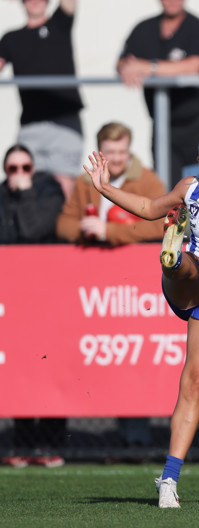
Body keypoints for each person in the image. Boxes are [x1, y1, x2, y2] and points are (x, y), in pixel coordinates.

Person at [84, 128, 199, 508]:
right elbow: (150, 208)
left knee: (195, 383)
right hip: (193, 280)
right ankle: (173, 258)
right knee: (189, 267)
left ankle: (168, 479)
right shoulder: (190, 187)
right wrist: (105, 189)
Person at [116, 0, 199, 188]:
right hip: (164, 125)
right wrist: (126, 68)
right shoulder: (144, 28)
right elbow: (123, 61)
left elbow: (195, 65)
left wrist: (149, 67)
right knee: (168, 192)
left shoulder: (197, 27)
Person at [0, 143, 66, 467]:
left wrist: (25, 195)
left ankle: (51, 443)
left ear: (33, 168)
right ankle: (23, 443)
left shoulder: (48, 192)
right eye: (12, 169)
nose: (19, 175)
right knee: (20, 369)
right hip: (14, 296)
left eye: (25, 167)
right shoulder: (2, 197)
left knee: (51, 366)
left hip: (48, 294)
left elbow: (33, 230)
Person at [0, 0, 84, 199]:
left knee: (64, 187)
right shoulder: (11, 38)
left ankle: (61, 236)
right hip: (30, 125)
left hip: (64, 121)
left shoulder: (59, 24)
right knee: (22, 184)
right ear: (22, 0)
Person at [56, 121, 166, 245]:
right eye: (111, 152)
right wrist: (85, 229)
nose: (117, 159)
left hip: (132, 256)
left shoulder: (148, 180)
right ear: (99, 151)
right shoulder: (84, 182)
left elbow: (159, 226)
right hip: (91, 256)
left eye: (122, 152)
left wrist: (108, 231)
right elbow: (64, 224)